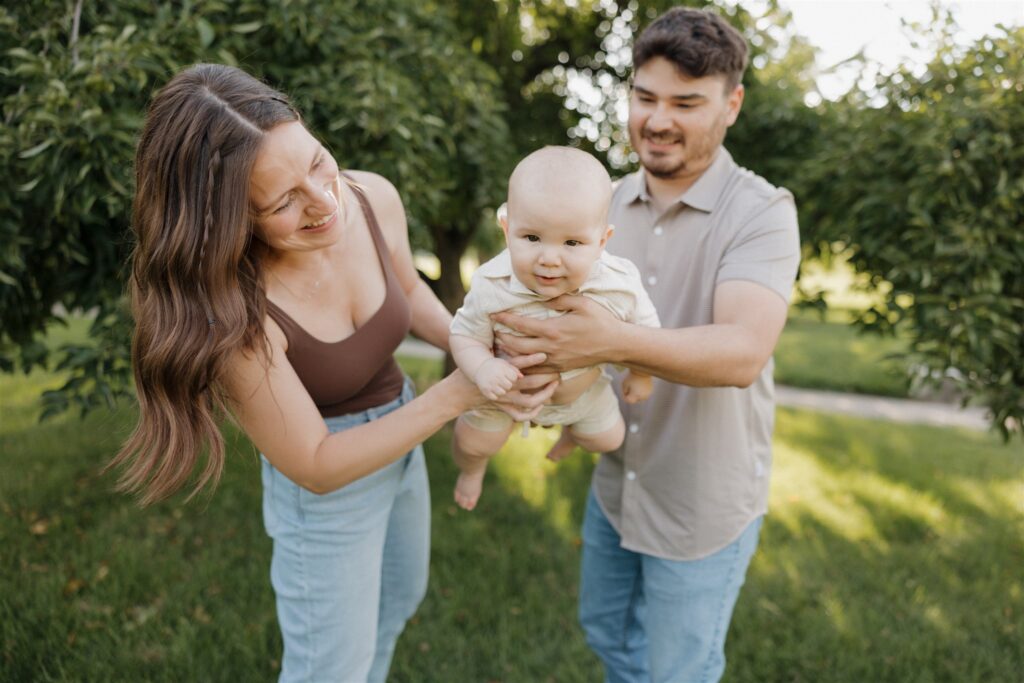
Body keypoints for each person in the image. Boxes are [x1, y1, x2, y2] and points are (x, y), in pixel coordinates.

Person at [108, 63, 556, 683]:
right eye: (285, 201)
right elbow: (315, 463)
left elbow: (407, 289)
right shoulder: (231, 313)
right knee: (329, 669)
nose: (325, 203)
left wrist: (485, 342)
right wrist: (457, 392)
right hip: (330, 489)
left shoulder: (369, 197)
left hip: (402, 446)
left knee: (396, 606)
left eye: (318, 163)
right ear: (229, 220)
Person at [492, 9, 801, 683]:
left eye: (686, 103)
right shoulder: (598, 206)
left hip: (702, 499)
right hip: (616, 480)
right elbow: (539, 309)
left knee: (679, 669)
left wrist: (612, 339)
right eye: (645, 97)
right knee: (605, 629)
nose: (658, 120)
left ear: (732, 104)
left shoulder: (761, 213)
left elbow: (743, 351)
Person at [448, 147, 661, 511]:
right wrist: (483, 368)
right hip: (504, 392)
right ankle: (473, 470)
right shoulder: (492, 283)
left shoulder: (618, 282)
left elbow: (646, 332)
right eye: (531, 238)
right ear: (507, 229)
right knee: (472, 442)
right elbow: (463, 334)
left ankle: (573, 434)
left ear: (602, 242)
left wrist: (642, 374)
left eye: (572, 243)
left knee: (609, 438)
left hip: (582, 395)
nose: (549, 257)